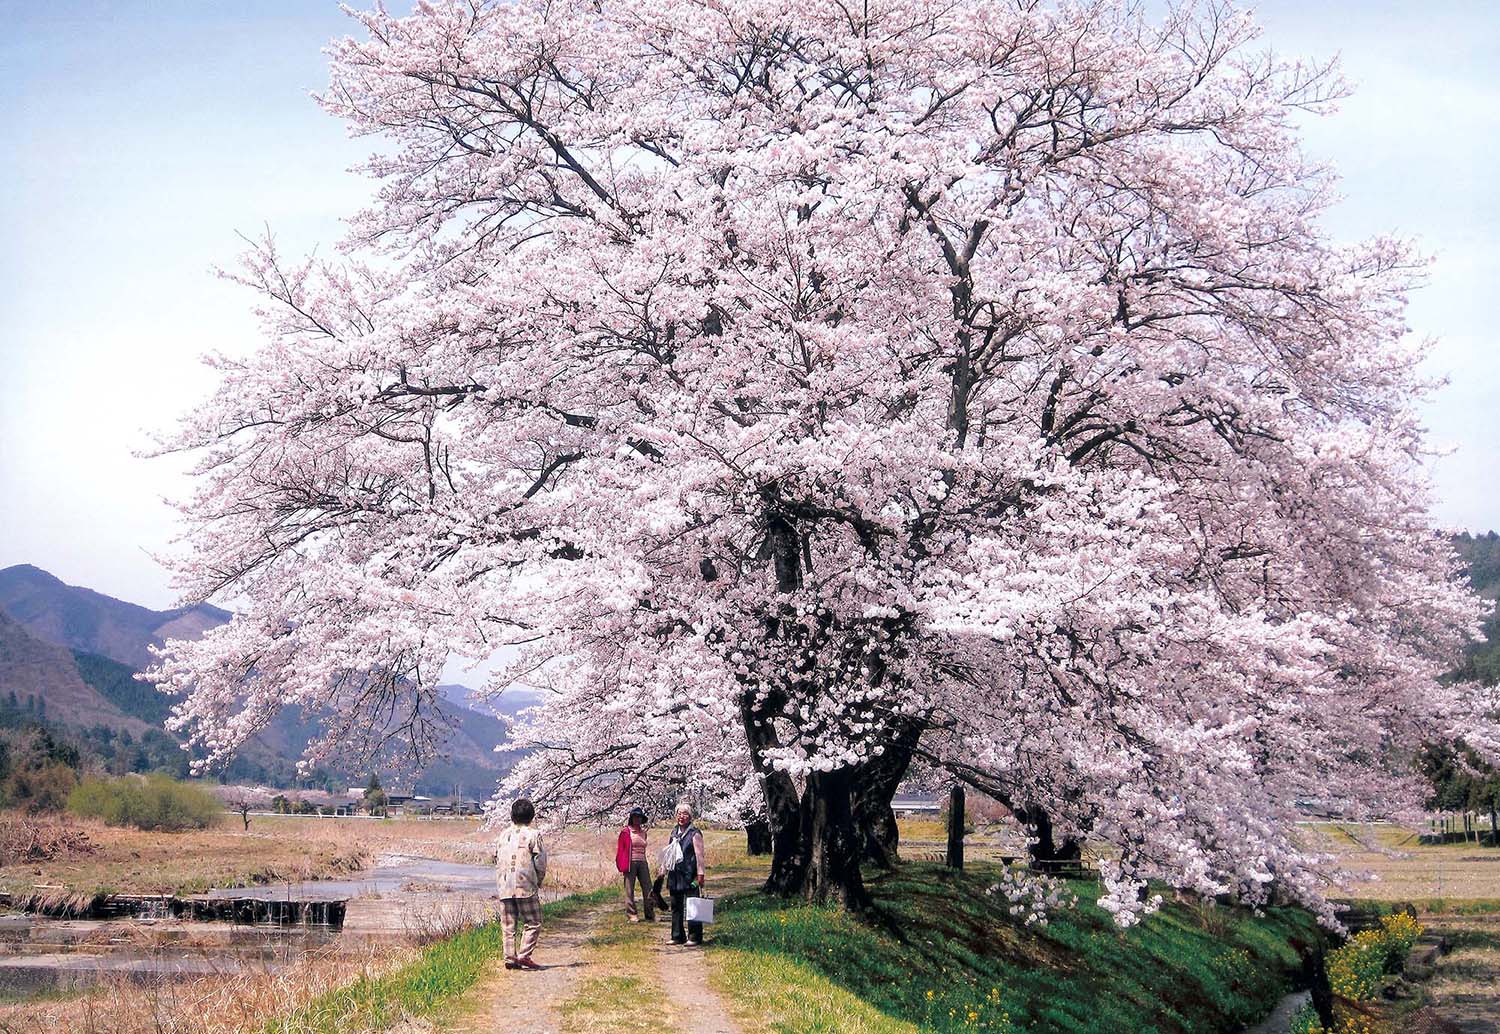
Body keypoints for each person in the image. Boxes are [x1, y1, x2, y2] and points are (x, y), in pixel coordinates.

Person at [495, 797, 547, 970]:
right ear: (531, 816)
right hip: (525, 884)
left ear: (512, 816)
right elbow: (540, 861)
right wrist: (539, 880)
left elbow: (496, 857)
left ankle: (510, 958)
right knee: (533, 921)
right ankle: (524, 955)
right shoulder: (534, 834)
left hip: (504, 885)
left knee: (508, 925)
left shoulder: (503, 835)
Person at [665, 800, 706, 946]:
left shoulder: (695, 833)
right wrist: (664, 870)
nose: (681, 816)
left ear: (690, 816)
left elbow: (700, 856)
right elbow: (669, 853)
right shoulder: (674, 833)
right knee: (676, 905)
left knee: (693, 905)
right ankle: (677, 935)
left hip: (690, 874)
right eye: (679, 813)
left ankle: (694, 936)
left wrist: (700, 874)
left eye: (685, 814)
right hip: (675, 874)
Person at [616, 806, 656, 922]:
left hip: (643, 862)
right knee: (629, 890)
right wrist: (621, 865)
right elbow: (621, 850)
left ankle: (650, 914)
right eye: (635, 817)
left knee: (648, 888)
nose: (637, 819)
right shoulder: (626, 832)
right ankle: (632, 914)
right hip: (630, 863)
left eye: (639, 817)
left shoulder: (643, 833)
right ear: (631, 818)